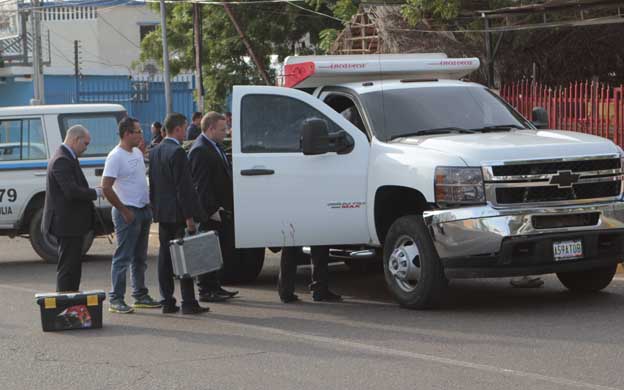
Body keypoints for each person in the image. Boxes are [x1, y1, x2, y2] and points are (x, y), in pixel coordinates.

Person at [149, 112, 208, 315]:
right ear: (177, 129)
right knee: (185, 257)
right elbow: (184, 188)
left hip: (163, 213)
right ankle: (189, 302)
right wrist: (189, 217)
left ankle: (167, 300)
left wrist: (155, 210)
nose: (186, 133)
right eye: (184, 129)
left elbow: (154, 185)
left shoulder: (155, 151)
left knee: (165, 258)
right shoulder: (178, 152)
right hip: (178, 214)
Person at [102, 117, 161, 314]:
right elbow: (106, 187)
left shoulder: (136, 152)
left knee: (140, 257)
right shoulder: (115, 156)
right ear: (127, 134)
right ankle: (116, 299)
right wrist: (124, 211)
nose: (141, 135)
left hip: (143, 210)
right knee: (123, 257)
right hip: (127, 212)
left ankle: (140, 295)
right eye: (137, 131)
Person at [42, 125, 102, 292]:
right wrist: (95, 193)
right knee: (68, 268)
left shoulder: (68, 157)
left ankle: (71, 299)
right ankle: (65, 304)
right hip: (67, 224)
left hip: (71, 224)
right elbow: (70, 191)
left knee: (73, 266)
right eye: (86, 143)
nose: (86, 148)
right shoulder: (62, 159)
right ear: (76, 140)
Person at [189, 112, 238, 302]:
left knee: (218, 250)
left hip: (221, 208)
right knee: (207, 249)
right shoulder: (200, 149)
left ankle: (215, 286)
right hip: (211, 211)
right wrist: (211, 210)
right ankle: (205, 289)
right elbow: (201, 185)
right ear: (210, 129)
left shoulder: (214, 146)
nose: (225, 133)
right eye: (222, 129)